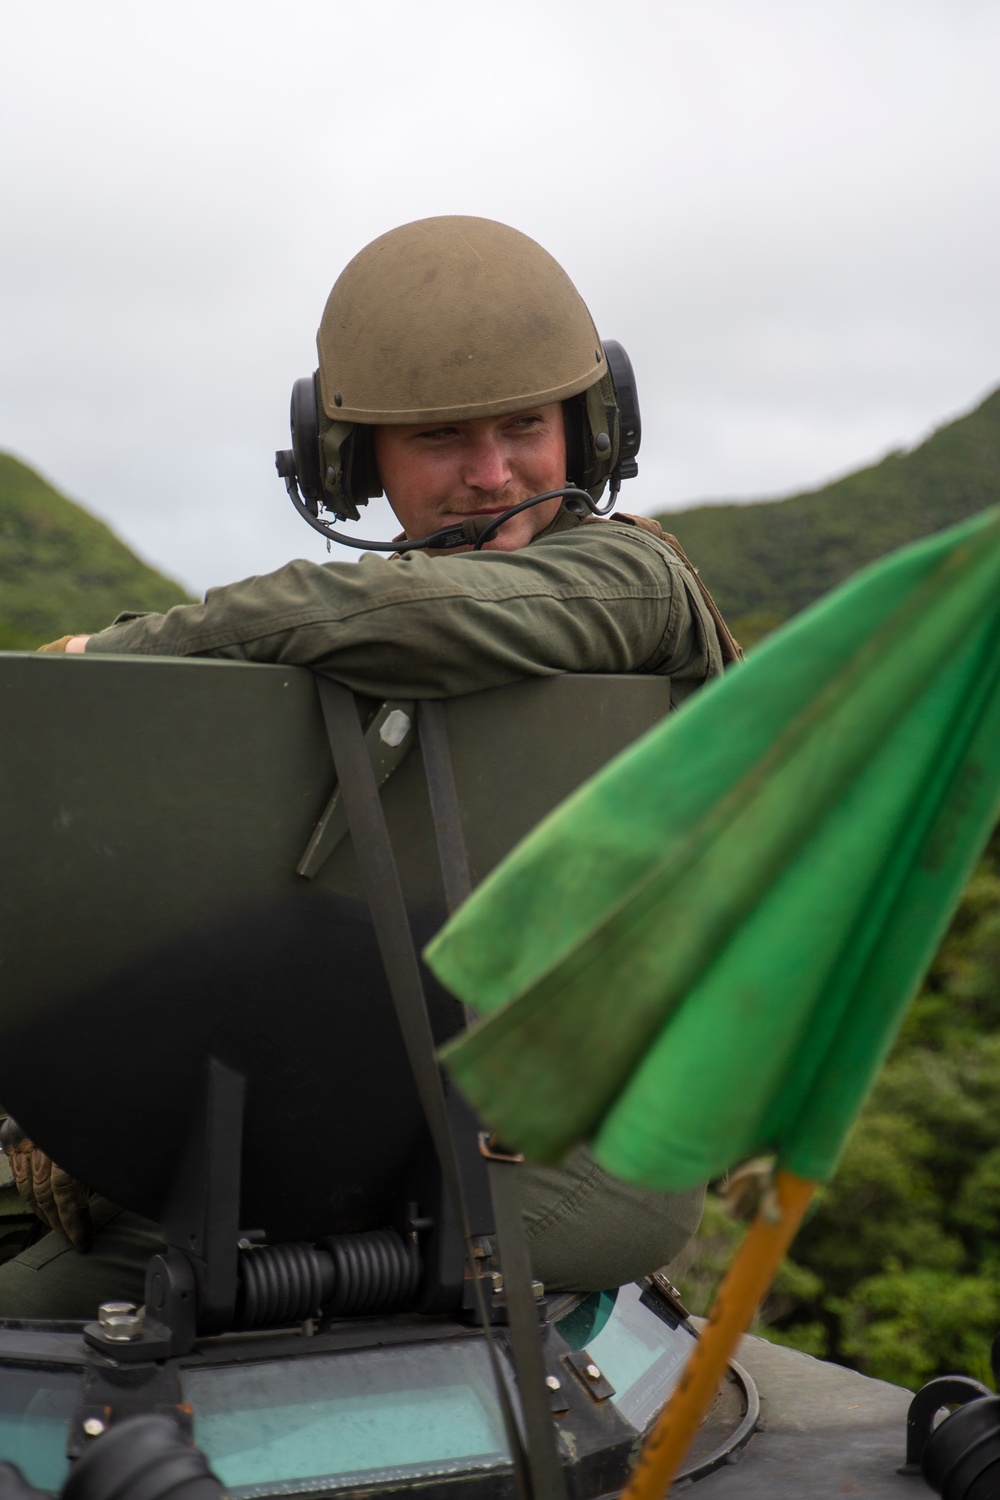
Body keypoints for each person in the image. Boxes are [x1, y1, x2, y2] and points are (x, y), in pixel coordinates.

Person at [0, 216, 737, 1319]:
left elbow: (413, 613)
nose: (492, 475)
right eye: (441, 436)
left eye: (525, 426)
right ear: (356, 459)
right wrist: (88, 1097)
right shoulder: (349, 642)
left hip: (586, 1151)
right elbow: (253, 913)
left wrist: (116, 654)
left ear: (585, 432)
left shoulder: (635, 580)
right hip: (351, 1117)